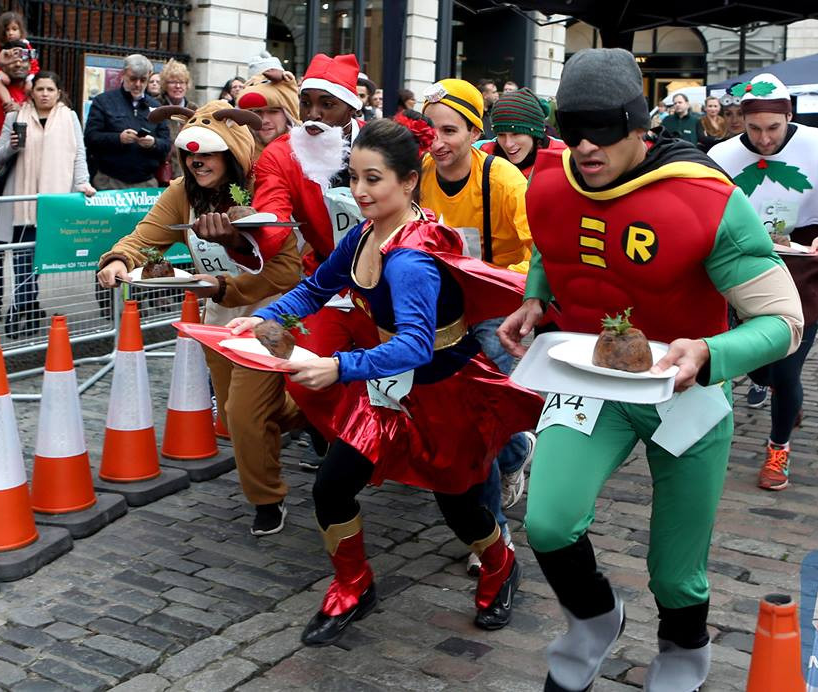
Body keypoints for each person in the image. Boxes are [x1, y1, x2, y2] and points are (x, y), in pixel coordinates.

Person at [497, 48, 803, 692]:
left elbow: (783, 321)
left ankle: (685, 656)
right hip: (587, 377)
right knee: (548, 522)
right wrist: (535, 293)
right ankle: (592, 623)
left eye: (604, 128)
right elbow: (557, 248)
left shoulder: (706, 199)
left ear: (642, 125)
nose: (585, 145)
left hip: (683, 389)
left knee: (675, 569)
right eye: (571, 126)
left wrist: (709, 354)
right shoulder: (548, 181)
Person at [227, 117, 543, 647]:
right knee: (331, 487)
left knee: (461, 506)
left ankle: (500, 565)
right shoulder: (361, 238)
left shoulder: (412, 257)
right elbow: (313, 288)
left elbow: (418, 346)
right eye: (353, 178)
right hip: (387, 392)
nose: (359, 190)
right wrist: (266, 319)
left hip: (444, 394)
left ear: (407, 181)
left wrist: (337, 368)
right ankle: (353, 585)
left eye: (373, 179)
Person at [95, 100, 308, 536]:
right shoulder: (181, 194)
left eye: (209, 153)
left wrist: (228, 283)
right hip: (217, 317)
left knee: (245, 413)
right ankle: (312, 411)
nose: (198, 162)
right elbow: (144, 237)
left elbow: (287, 271)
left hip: (271, 315)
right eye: (192, 154)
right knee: (236, 419)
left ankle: (267, 498)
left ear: (231, 152)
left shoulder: (260, 191)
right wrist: (119, 259)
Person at [709, 73, 818, 491]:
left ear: (789, 116)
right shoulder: (721, 154)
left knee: (788, 361)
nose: (763, 138)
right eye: (753, 128)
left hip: (806, 262)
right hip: (749, 260)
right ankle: (775, 388)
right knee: (760, 368)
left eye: (773, 128)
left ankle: (779, 446)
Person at [420, 78, 535, 575]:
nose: (438, 141)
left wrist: (498, 281)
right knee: (466, 418)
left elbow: (539, 254)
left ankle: (493, 532)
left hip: (495, 304)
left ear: (473, 131)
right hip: (441, 305)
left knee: (485, 414)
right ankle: (516, 452)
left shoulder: (505, 181)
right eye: (431, 129)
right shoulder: (421, 172)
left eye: (449, 130)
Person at [246, 52, 372, 473]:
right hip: (325, 282)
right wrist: (238, 237)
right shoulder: (283, 154)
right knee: (302, 371)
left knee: (411, 373)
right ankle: (349, 448)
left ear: (351, 108)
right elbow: (273, 223)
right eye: (307, 103)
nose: (313, 115)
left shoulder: (383, 143)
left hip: (389, 280)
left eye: (327, 105)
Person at [0, 71, 96, 339]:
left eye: (50, 89)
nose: (45, 94)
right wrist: (12, 146)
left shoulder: (69, 117)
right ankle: (21, 307)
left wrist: (83, 183)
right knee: (21, 257)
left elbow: (78, 154)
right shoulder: (15, 116)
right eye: (40, 89)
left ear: (59, 92)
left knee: (41, 259)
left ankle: (30, 305)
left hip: (54, 201)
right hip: (20, 201)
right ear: (32, 92)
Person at [0, 40, 32, 323]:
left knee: (22, 240)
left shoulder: (31, 91)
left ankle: (24, 303)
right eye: (12, 57)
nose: (18, 62)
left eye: (22, 57)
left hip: (23, 169)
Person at [83, 53, 170, 190]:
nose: (138, 84)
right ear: (123, 74)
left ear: (149, 75)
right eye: (133, 79)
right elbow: (90, 138)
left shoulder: (156, 107)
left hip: (145, 183)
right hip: (109, 181)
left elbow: (166, 144)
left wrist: (153, 143)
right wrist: (119, 138)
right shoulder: (103, 101)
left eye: (143, 80)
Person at [478, 86, 566, 178]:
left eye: (516, 134)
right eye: (501, 134)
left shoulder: (562, 157)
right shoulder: (484, 155)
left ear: (535, 133)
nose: (508, 144)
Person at [235, 57, 300, 156]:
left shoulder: (304, 152)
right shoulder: (238, 153)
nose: (264, 120)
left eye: (273, 111)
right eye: (257, 112)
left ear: (288, 113)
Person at [157, 59, 198, 183]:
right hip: (161, 173)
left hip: (188, 173)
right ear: (164, 85)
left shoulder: (194, 110)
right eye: (173, 82)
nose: (178, 86)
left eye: (182, 82)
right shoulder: (157, 107)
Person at [0, 12, 39, 112]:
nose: (10, 33)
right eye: (7, 30)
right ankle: (8, 103)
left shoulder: (26, 46)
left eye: (14, 29)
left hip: (23, 83)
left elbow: (34, 63)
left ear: (21, 30)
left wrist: (30, 78)